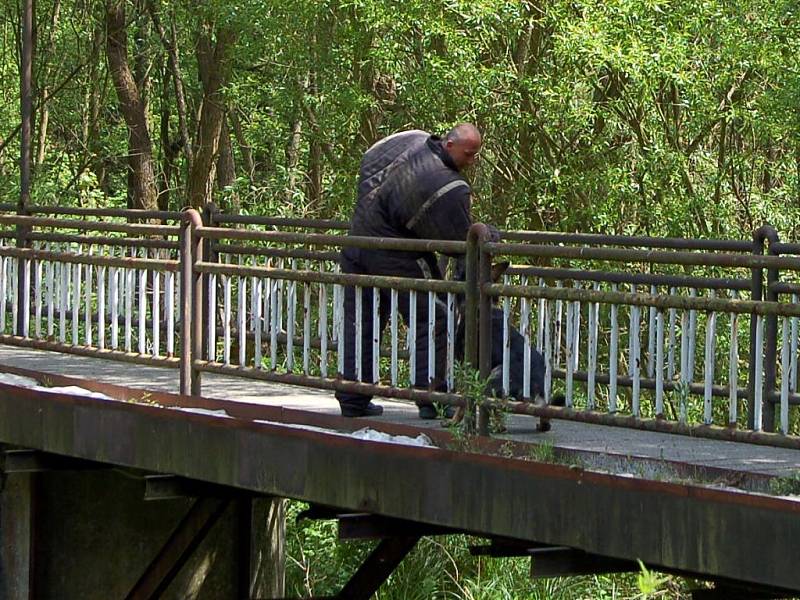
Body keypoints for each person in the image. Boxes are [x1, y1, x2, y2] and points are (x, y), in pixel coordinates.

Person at [335, 123, 488, 418]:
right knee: (435, 313)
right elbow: (458, 242)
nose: (471, 162)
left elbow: (370, 159)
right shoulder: (445, 185)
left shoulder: (408, 141)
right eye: (469, 155)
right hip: (394, 253)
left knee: (362, 320)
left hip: (356, 244)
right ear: (450, 145)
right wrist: (487, 235)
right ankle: (431, 395)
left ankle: (352, 398)